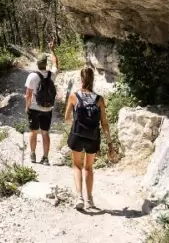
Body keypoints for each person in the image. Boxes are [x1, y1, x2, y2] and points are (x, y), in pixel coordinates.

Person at [64, 66, 117, 211]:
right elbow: (104, 123)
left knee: (76, 166)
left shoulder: (74, 96)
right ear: (93, 80)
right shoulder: (99, 99)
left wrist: (76, 125)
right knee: (88, 167)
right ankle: (90, 199)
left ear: (81, 79)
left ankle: (79, 197)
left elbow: (67, 118)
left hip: (77, 135)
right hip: (93, 137)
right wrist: (110, 143)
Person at [24, 41, 59, 164]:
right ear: (45, 64)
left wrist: (27, 107)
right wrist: (52, 50)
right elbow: (56, 63)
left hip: (34, 108)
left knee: (33, 132)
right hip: (47, 109)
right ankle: (45, 158)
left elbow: (28, 94)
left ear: (37, 64)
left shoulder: (32, 76)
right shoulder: (52, 75)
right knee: (45, 133)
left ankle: (33, 155)